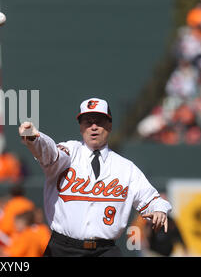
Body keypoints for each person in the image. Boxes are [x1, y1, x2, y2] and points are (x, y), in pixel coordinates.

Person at [19, 98, 172, 257]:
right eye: (87, 122)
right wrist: (34, 138)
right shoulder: (69, 152)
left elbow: (152, 199)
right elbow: (49, 152)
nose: (93, 127)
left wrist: (159, 209)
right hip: (63, 249)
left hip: (104, 250)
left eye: (99, 121)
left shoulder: (126, 168)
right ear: (81, 127)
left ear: (110, 125)